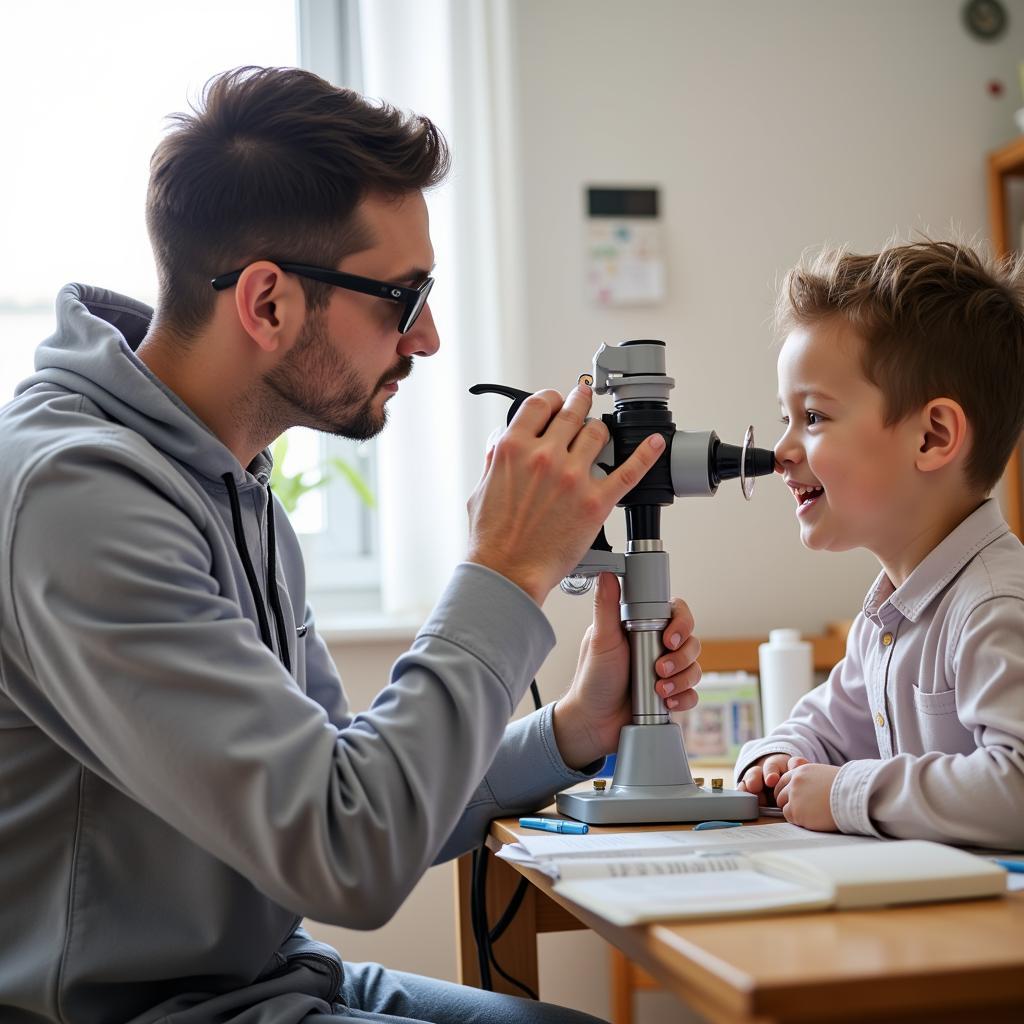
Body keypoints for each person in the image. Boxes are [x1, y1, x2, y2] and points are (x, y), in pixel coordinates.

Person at [0, 67, 702, 1024]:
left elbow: (361, 790)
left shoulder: (225, 483)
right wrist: (504, 570)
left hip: (267, 983)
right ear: (268, 303)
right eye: (402, 299)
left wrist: (575, 726)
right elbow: (350, 854)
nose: (430, 339)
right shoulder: (80, 502)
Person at [736, 239, 1024, 851]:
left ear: (932, 437)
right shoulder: (888, 618)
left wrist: (846, 793)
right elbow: (823, 727)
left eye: (813, 417)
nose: (783, 452)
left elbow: (1017, 787)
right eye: (786, 418)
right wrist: (777, 758)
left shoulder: (994, 606)